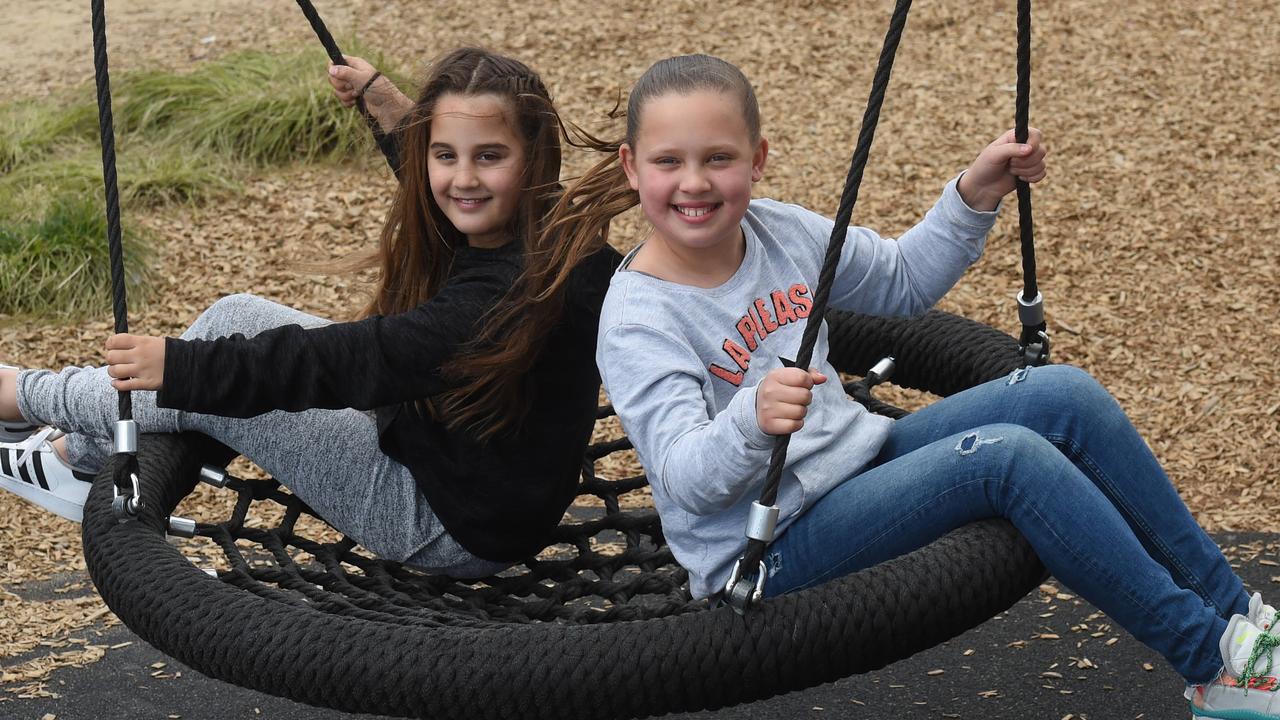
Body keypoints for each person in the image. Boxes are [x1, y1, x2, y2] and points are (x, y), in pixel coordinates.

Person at [561, 53, 1279, 717]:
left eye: (719, 158)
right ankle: (1212, 663)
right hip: (770, 544)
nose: (694, 182)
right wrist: (752, 419)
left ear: (758, 159)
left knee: (1063, 395)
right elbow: (686, 480)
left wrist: (975, 191)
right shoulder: (639, 316)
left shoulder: (780, 232)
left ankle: (1244, 624)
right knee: (1006, 459)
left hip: (858, 465)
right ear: (631, 167)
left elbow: (901, 279)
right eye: (669, 162)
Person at [0, 47, 620, 578]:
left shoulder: (498, 300)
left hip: (444, 520)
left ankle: (27, 401)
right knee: (232, 315)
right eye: (444, 154)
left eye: (489, 156)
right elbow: (460, 174)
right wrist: (389, 104)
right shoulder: (556, 231)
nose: (463, 178)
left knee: (206, 375)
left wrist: (176, 365)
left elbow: (339, 363)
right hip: (465, 470)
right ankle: (79, 455)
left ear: (534, 160)